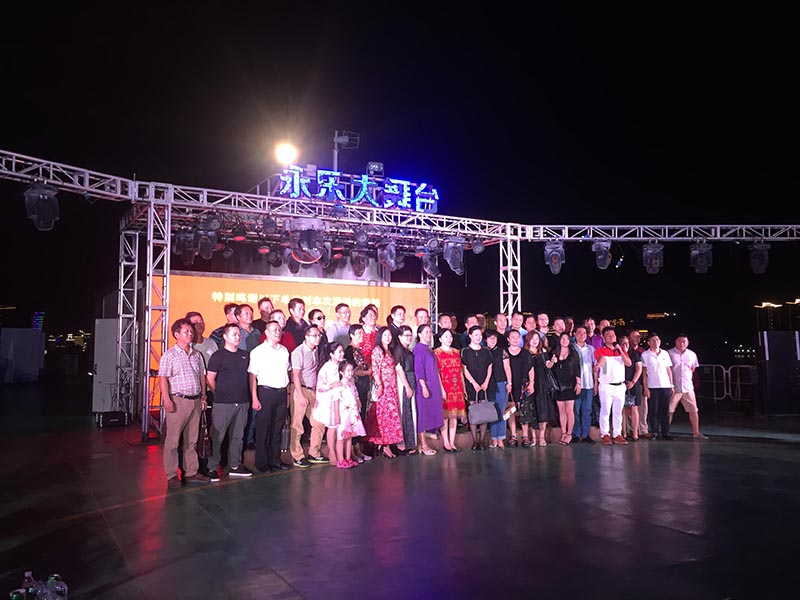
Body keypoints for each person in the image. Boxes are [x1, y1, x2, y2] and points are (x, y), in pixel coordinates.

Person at [159, 318, 209, 488]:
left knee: (192, 440)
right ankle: (172, 475)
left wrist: (203, 396)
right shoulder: (169, 355)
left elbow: (201, 376)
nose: (190, 334)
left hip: (195, 400)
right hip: (178, 401)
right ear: (176, 334)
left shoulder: (197, 355)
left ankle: (191, 472)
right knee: (173, 441)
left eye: (191, 331)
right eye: (186, 331)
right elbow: (163, 378)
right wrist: (166, 399)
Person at [205, 323, 253, 481]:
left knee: (238, 436)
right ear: (225, 336)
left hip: (242, 402)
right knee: (218, 436)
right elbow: (210, 379)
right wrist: (219, 394)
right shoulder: (218, 356)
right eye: (234, 334)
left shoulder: (245, 355)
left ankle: (235, 465)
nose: (237, 337)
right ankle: (212, 467)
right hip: (223, 404)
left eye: (239, 334)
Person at [248, 320, 291, 473]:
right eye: (274, 330)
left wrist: (287, 394)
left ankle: (275, 460)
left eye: (279, 330)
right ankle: (261, 462)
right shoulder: (258, 351)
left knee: (277, 428)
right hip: (265, 393)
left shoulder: (284, 351)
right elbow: (252, 376)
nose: (278, 332)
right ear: (266, 333)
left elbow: (287, 373)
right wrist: (254, 397)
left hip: (281, 393)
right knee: (263, 429)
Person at [289, 325, 328, 468]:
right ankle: (297, 456)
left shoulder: (315, 350)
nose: (318, 338)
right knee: (297, 425)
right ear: (306, 336)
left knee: (319, 422)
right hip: (300, 389)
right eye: (314, 335)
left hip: (313, 390)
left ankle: (314, 453)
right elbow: (295, 375)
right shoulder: (298, 352)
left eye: (319, 335)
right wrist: (300, 395)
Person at [366, 327, 403, 458]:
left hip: (392, 387)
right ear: (380, 336)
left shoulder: (390, 350)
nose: (388, 337)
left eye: (389, 335)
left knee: (391, 415)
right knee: (384, 415)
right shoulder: (378, 350)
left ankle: (387, 444)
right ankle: (384, 445)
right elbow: (375, 370)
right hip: (384, 387)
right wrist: (380, 385)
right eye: (385, 335)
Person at [595, 326, 632, 445]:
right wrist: (598, 366)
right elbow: (601, 360)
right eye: (608, 335)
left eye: (613, 335)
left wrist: (620, 351)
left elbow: (629, 363)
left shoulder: (620, 351)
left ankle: (617, 434)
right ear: (603, 337)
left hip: (620, 385)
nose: (611, 337)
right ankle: (605, 434)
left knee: (618, 411)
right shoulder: (600, 350)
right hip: (607, 385)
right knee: (605, 411)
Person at [668, 335, 708, 439]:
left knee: (693, 410)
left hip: (688, 387)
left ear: (688, 343)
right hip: (674, 387)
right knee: (669, 410)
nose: (682, 343)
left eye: (684, 341)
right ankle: (665, 432)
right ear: (675, 342)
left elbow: (693, 368)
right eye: (680, 341)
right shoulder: (669, 353)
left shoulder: (692, 354)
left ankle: (696, 433)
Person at [313, 342, 347, 466]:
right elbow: (320, 387)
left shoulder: (342, 365)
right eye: (339, 352)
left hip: (342, 401)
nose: (342, 354)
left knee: (341, 427)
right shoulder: (326, 368)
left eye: (342, 351)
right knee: (332, 426)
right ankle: (331, 452)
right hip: (330, 402)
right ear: (331, 354)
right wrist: (331, 385)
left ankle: (341, 453)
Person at [461, 325, 494, 451]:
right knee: (474, 412)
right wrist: (473, 383)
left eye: (480, 335)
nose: (478, 337)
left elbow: (490, 367)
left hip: (485, 385)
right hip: (471, 385)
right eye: (475, 335)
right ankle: (474, 441)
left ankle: (482, 441)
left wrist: (486, 382)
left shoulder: (486, 351)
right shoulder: (465, 351)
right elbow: (464, 369)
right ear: (470, 336)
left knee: (484, 412)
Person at [413, 324, 444, 455]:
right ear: (419, 334)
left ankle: (426, 441)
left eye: (430, 332)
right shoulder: (418, 349)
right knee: (423, 415)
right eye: (426, 332)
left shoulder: (428, 349)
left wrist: (441, 388)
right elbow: (419, 370)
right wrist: (423, 386)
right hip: (425, 386)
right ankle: (423, 445)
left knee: (430, 413)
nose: (429, 334)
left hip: (433, 386)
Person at [434, 328, 466, 452]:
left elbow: (460, 371)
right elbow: (437, 373)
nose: (449, 339)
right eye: (446, 336)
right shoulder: (436, 353)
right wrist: (441, 389)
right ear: (440, 339)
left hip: (457, 387)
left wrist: (463, 387)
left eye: (450, 336)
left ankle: (452, 442)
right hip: (445, 387)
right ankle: (446, 442)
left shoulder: (456, 352)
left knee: (454, 416)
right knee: (445, 416)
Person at [344, 323, 372, 462]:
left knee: (360, 418)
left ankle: (357, 449)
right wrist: (368, 372)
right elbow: (353, 371)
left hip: (363, 387)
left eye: (362, 333)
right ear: (352, 335)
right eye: (359, 333)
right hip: (355, 388)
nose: (362, 336)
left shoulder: (358, 350)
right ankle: (351, 451)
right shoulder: (349, 351)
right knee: (354, 419)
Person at [525, 331, 558, 447]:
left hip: (542, 383)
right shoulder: (524, 353)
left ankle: (542, 437)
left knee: (543, 409)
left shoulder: (543, 351)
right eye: (532, 338)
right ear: (528, 340)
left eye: (537, 339)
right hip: (529, 384)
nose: (535, 341)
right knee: (531, 410)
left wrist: (552, 362)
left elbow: (548, 365)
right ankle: (533, 438)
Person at [640, 332, 674, 440]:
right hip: (652, 386)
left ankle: (665, 433)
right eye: (653, 340)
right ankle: (654, 431)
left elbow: (668, 370)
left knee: (665, 411)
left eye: (657, 340)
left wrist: (671, 385)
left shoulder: (665, 353)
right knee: (653, 411)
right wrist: (646, 388)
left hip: (665, 385)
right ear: (649, 342)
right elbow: (644, 373)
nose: (656, 342)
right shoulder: (645, 355)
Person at [550, 331, 581, 445]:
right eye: (562, 339)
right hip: (558, 385)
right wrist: (552, 362)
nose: (564, 341)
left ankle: (569, 434)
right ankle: (563, 433)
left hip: (570, 384)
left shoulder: (573, 353)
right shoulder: (555, 352)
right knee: (561, 410)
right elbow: (549, 367)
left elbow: (577, 368)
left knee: (569, 410)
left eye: (567, 339)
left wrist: (578, 383)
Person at [336, 360, 367, 468]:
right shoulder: (339, 385)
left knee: (349, 436)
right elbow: (336, 401)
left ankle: (348, 457)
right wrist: (337, 415)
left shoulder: (352, 383)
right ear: (341, 372)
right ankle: (341, 459)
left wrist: (358, 402)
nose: (350, 373)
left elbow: (356, 395)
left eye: (351, 370)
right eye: (348, 370)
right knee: (341, 437)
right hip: (343, 414)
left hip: (352, 413)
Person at [485, 329, 512, 448]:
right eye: (490, 338)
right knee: (491, 412)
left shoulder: (502, 351)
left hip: (501, 383)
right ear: (485, 339)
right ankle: (493, 438)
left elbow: (507, 368)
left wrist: (509, 382)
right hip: (488, 385)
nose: (492, 340)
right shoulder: (483, 351)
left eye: (494, 338)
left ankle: (500, 437)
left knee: (501, 411)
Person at [393, 325, 418, 454]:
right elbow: (399, 368)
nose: (408, 338)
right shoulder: (399, 350)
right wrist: (407, 386)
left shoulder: (408, 350)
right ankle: (401, 444)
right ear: (399, 337)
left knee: (410, 411)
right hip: (404, 381)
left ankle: (409, 443)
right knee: (404, 411)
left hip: (411, 379)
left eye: (410, 335)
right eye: (406, 335)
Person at [572, 325, 596, 443]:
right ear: (575, 334)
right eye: (579, 333)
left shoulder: (591, 349)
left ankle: (586, 434)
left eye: (584, 333)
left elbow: (595, 367)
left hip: (589, 384)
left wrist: (596, 383)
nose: (582, 335)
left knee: (587, 410)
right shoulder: (571, 348)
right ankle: (575, 434)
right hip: (576, 385)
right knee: (575, 410)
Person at [620, 335, 643, 442]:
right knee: (622, 409)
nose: (625, 345)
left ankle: (635, 433)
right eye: (623, 343)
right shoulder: (617, 354)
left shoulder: (635, 354)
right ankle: (624, 432)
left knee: (634, 408)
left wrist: (633, 382)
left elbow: (639, 369)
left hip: (633, 384)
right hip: (621, 384)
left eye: (627, 343)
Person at [628, 329, 650, 438]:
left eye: (638, 337)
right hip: (628, 383)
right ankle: (631, 430)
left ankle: (643, 430)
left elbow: (645, 369)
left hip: (640, 383)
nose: (636, 339)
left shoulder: (643, 352)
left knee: (642, 408)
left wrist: (646, 386)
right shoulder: (626, 351)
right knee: (628, 408)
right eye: (633, 336)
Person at [505, 329, 525, 446]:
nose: (515, 339)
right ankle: (513, 435)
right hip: (509, 385)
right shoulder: (504, 353)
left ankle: (525, 435)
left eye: (517, 337)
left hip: (522, 384)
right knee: (511, 410)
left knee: (523, 410)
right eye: (513, 337)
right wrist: (509, 383)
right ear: (508, 339)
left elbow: (530, 369)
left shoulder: (525, 353)